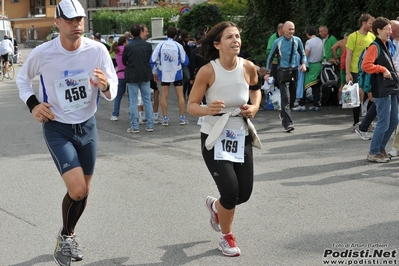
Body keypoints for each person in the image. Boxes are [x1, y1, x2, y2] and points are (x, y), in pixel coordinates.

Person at [16, 1, 118, 265]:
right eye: (71, 20)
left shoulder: (97, 50)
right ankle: (67, 236)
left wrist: (106, 86)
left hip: (88, 126)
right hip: (57, 127)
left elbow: (112, 88)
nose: (77, 25)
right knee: (77, 189)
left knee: (84, 191)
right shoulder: (43, 52)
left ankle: (67, 235)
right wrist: (33, 105)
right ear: (57, 22)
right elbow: (22, 79)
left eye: (80, 19)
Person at [187, 21, 261, 257]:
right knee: (230, 192)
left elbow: (256, 89)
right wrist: (208, 109)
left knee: (244, 193)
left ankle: (215, 207)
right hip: (214, 135)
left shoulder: (248, 67)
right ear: (217, 44)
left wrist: (255, 107)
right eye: (229, 37)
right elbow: (191, 106)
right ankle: (226, 237)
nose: (235, 41)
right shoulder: (208, 71)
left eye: (237, 36)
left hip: (240, 134)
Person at [361, 17, 399, 163]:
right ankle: (374, 151)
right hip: (381, 88)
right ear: (379, 30)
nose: (391, 31)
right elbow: (366, 65)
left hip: (391, 87)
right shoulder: (374, 46)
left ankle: (380, 148)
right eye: (388, 29)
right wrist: (382, 69)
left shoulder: (385, 44)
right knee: (384, 121)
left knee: (394, 119)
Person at [266, 21, 307, 132]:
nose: (291, 31)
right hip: (282, 71)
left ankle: (283, 114)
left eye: (293, 29)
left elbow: (303, 54)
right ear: (283, 29)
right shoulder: (277, 42)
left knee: (292, 99)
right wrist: (267, 72)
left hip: (294, 71)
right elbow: (270, 57)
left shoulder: (297, 40)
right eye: (289, 29)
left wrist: (303, 64)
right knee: (286, 98)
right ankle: (288, 124)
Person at [150, 26, 189, 126]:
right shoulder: (178, 46)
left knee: (164, 96)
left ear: (167, 34)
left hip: (164, 72)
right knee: (180, 96)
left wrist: (155, 71)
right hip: (177, 72)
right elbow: (185, 61)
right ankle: (182, 118)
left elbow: (152, 60)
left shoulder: (161, 45)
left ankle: (165, 118)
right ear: (176, 35)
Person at [123, 23, 154, 133]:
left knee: (133, 101)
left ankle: (134, 126)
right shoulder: (147, 45)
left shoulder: (128, 47)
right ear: (141, 31)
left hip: (132, 75)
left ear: (131, 34)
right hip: (145, 74)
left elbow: (124, 61)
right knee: (147, 100)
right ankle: (150, 125)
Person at [345, 14, 375, 130]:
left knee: (371, 96)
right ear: (363, 23)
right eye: (370, 23)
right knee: (357, 98)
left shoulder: (372, 37)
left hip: (369, 71)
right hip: (356, 71)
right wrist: (348, 73)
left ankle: (368, 122)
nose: (372, 25)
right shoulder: (354, 36)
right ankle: (356, 122)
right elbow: (349, 55)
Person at [293, 26, 323, 111]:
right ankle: (316, 104)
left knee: (303, 85)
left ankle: (301, 104)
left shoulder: (309, 42)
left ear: (307, 34)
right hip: (318, 65)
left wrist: (303, 64)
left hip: (310, 65)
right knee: (315, 85)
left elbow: (305, 55)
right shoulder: (320, 41)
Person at [110, 36, 128, 121]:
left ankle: (115, 114)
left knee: (118, 96)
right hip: (128, 74)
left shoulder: (116, 50)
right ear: (124, 42)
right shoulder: (127, 49)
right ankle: (131, 114)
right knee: (131, 96)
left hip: (120, 75)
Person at [331, 32, 349, 105]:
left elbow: (333, 48)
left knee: (342, 83)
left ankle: (341, 100)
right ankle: (348, 100)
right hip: (351, 64)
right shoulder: (352, 42)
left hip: (343, 63)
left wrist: (336, 58)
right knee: (351, 84)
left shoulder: (341, 42)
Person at [178, 29, 195, 99]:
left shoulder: (189, 42)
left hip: (188, 62)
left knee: (188, 78)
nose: (189, 38)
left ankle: (187, 93)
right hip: (182, 63)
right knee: (186, 78)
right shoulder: (179, 43)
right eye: (187, 37)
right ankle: (183, 93)